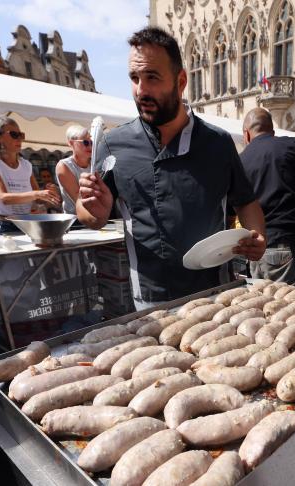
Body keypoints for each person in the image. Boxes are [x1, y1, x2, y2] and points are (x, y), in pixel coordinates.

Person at [76, 27, 266, 309]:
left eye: (152, 77)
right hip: (151, 298)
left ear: (180, 82)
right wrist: (94, 210)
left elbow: (246, 202)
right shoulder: (114, 144)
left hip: (217, 291)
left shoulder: (218, 143)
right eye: (134, 78)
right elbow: (89, 215)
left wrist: (258, 236)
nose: (141, 90)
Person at [240, 108, 295, 282]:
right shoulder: (294, 145)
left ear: (246, 134)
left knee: (263, 305)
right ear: (273, 131)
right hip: (293, 242)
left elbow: (232, 212)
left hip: (256, 247)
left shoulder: (241, 160)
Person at [0, 115, 61, 235]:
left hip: (25, 223)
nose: (20, 139)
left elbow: (37, 200)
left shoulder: (26, 165)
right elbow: (4, 198)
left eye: (21, 135)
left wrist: (48, 194)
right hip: (2, 225)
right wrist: (37, 194)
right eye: (14, 134)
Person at [56, 124, 92, 214]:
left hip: (96, 217)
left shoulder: (95, 163)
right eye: (85, 142)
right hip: (75, 221)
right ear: (71, 143)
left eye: (91, 142)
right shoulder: (63, 166)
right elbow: (79, 199)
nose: (90, 146)